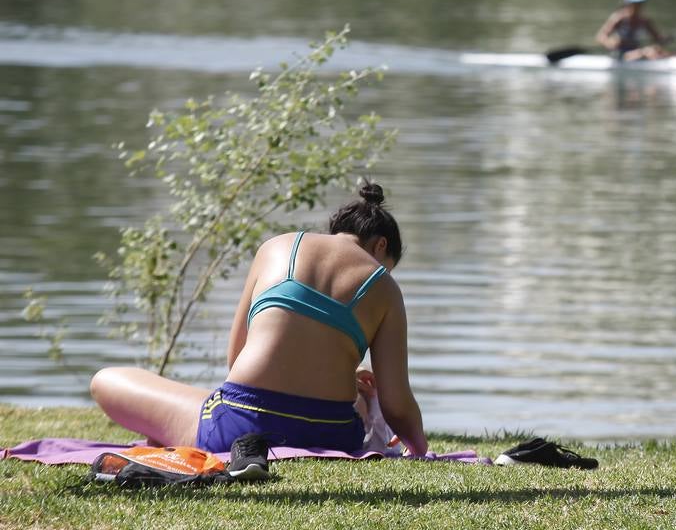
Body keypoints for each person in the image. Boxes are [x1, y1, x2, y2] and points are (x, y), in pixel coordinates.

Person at [90, 182, 428, 457]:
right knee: (361, 398)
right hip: (336, 434)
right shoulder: (384, 286)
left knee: (107, 379)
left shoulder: (277, 247)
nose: (385, 272)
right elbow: (396, 405)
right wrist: (420, 449)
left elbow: (237, 357)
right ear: (381, 245)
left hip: (239, 426)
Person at [595, 0, 671, 61]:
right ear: (628, 3)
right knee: (649, 51)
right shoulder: (619, 18)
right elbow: (601, 36)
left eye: (641, 3)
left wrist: (665, 39)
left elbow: (658, 39)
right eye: (636, 3)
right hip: (620, 54)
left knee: (658, 50)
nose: (639, 6)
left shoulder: (644, 21)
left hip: (636, 52)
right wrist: (609, 43)